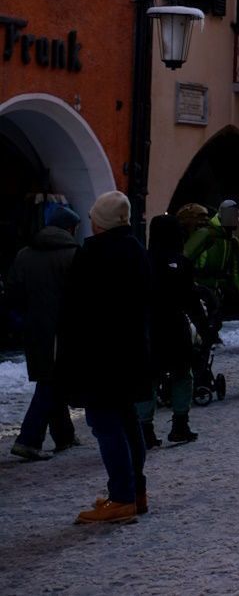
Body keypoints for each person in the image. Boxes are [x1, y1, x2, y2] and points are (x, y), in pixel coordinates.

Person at [56, 191, 152, 525]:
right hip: (131, 352)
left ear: (101, 221)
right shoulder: (137, 251)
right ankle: (134, 491)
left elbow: (76, 309)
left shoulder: (94, 253)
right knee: (126, 420)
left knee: (105, 423)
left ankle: (123, 497)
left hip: (100, 354)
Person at [8, 203, 82, 461]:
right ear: (70, 228)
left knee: (53, 380)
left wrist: (22, 320)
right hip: (63, 329)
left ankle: (64, 435)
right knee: (50, 383)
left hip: (33, 328)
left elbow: (15, 293)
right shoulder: (74, 255)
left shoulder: (24, 254)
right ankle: (28, 439)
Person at [137, 214, 213, 449]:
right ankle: (180, 424)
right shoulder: (181, 263)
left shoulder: (142, 261)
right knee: (182, 375)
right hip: (175, 327)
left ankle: (145, 428)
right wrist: (204, 328)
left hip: (149, 328)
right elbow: (191, 299)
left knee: (147, 378)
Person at [184, 199, 239, 318]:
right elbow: (185, 258)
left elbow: (238, 271)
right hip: (199, 291)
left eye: (238, 216)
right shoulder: (205, 234)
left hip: (217, 293)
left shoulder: (232, 241)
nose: (236, 219)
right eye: (234, 215)